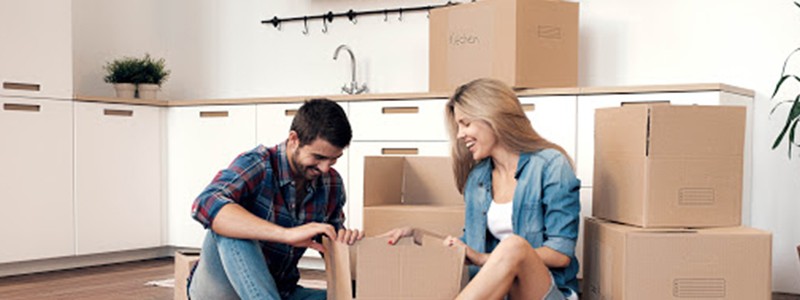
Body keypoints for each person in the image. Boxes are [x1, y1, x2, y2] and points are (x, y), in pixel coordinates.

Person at [383, 78, 581, 300]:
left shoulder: (551, 165)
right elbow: (469, 246)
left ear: (492, 116)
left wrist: (485, 259)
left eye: (465, 123)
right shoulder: (478, 178)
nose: (460, 134)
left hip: (548, 292)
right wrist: (417, 234)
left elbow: (561, 253)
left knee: (514, 246)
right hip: (501, 294)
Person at [187, 98, 364, 300]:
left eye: (333, 160)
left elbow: (332, 245)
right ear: (294, 139)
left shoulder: (331, 183)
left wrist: (345, 243)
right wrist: (287, 235)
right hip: (221, 291)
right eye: (318, 157)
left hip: (280, 292)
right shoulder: (258, 164)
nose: (325, 168)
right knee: (230, 224)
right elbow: (205, 204)